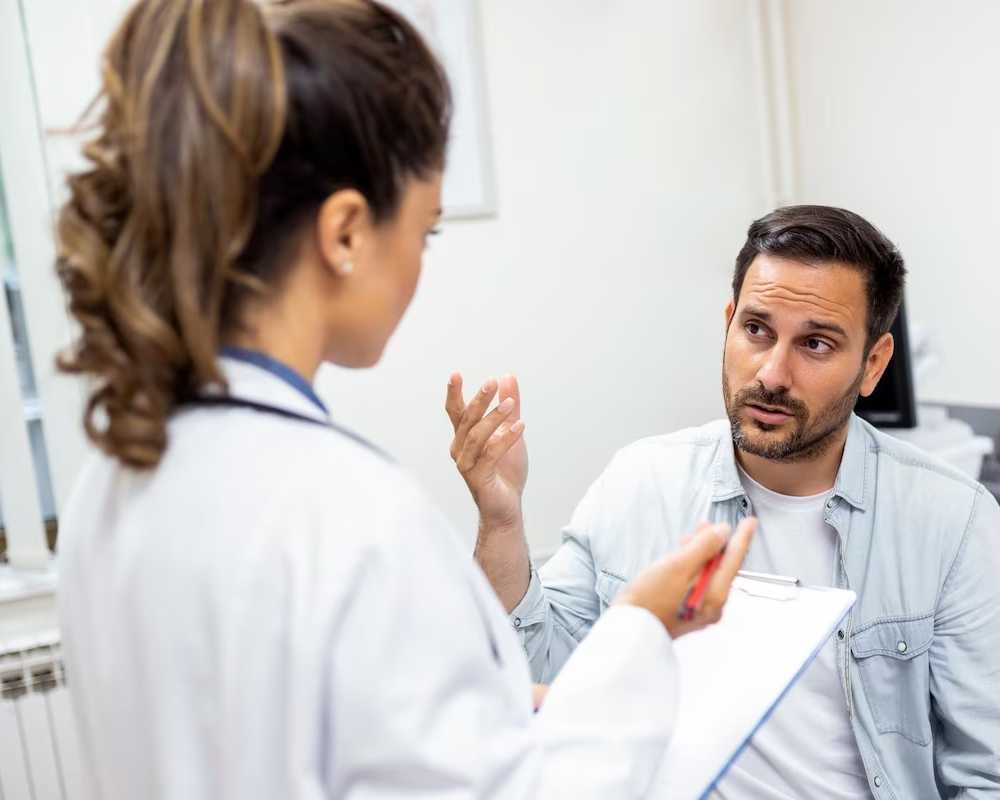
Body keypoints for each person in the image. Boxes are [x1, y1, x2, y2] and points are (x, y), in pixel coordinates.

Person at [53, 1, 755, 798]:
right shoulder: (347, 514)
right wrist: (642, 632)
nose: (420, 266)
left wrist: (501, 707)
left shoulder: (113, 479)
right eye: (425, 233)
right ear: (347, 232)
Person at [449, 205, 1000, 799]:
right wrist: (501, 521)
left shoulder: (953, 520)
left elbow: (986, 773)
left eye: (815, 343)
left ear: (873, 364)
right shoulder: (642, 482)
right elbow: (538, 679)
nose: (771, 372)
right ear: (729, 321)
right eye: (757, 330)